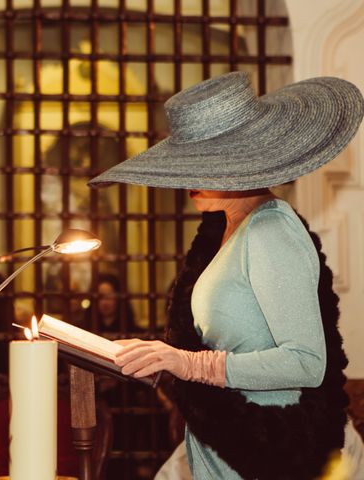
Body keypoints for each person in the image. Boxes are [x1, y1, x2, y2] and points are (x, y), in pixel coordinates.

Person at [88, 72, 364, 478]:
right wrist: (165, 357)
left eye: (202, 163)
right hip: (230, 440)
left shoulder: (271, 231)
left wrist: (189, 364)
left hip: (265, 452)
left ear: (241, 163)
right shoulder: (229, 230)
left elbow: (307, 363)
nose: (185, 179)